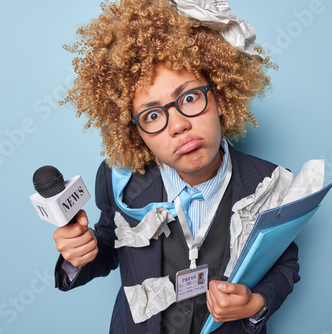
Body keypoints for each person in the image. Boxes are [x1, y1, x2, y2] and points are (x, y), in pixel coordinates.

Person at [52, 0, 299, 333]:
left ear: (221, 98)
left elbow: (284, 261)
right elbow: (109, 248)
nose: (178, 125)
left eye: (190, 98)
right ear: (136, 133)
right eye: (152, 115)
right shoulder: (120, 181)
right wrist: (78, 255)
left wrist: (256, 304)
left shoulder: (269, 183)